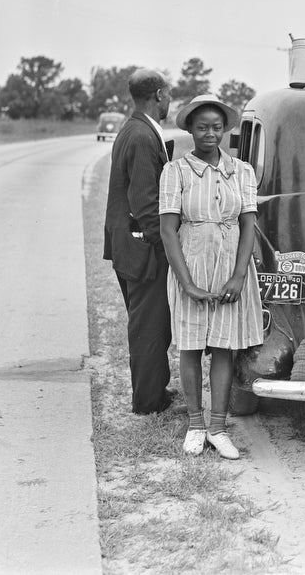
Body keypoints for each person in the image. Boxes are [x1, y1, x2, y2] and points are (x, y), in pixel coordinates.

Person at [159, 94, 263, 459]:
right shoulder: (176, 172)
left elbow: (248, 224)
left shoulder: (242, 171)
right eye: (202, 127)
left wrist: (237, 276)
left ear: (225, 130)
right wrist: (187, 282)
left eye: (216, 127)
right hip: (192, 262)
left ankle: (218, 427)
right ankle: (195, 424)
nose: (209, 134)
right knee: (190, 346)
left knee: (223, 346)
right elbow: (169, 230)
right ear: (189, 128)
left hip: (231, 266)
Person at [103, 69, 177, 414]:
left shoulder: (134, 128)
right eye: (169, 95)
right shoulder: (143, 136)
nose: (170, 101)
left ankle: (152, 392)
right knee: (150, 326)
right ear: (159, 95)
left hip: (130, 244)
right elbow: (146, 203)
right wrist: (166, 248)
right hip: (143, 249)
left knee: (148, 322)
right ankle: (148, 401)